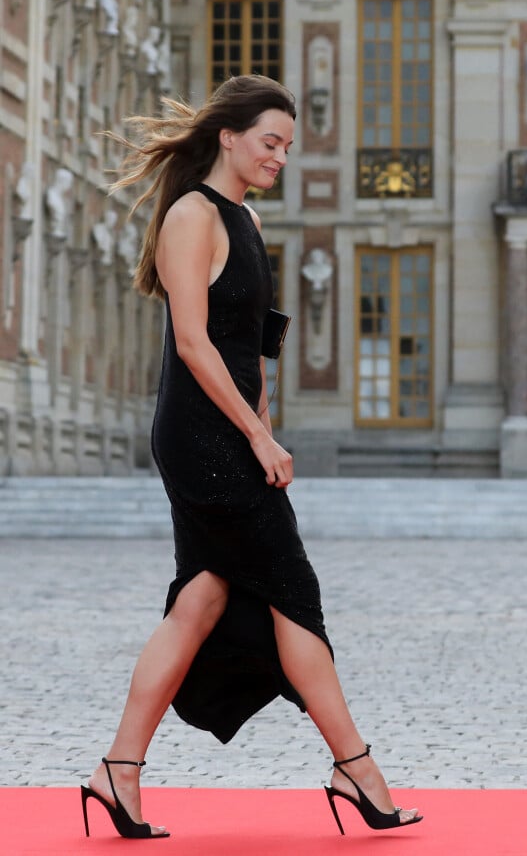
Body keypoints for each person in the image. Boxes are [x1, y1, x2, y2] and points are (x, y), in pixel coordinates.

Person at [81, 74, 422, 840]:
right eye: (270, 142)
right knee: (292, 590)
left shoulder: (249, 220)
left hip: (235, 431)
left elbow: (255, 343)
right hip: (201, 437)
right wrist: (256, 436)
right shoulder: (190, 217)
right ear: (228, 137)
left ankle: (117, 771)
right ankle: (356, 768)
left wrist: (267, 418)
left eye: (288, 148)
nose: (280, 157)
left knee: (201, 599)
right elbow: (195, 345)